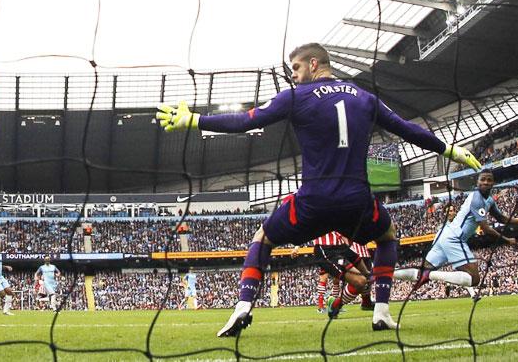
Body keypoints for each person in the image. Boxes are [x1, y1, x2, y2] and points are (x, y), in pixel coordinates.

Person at [156, 42, 481, 336]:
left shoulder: (297, 97)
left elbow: (246, 121)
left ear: (314, 63)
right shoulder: (365, 98)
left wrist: (196, 120)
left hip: (313, 200)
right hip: (357, 201)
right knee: (387, 237)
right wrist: (450, 150)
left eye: (295, 68)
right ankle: (381, 312)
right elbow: (408, 129)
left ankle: (242, 307)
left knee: (262, 239)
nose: (293, 76)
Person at [393, 169, 518, 299]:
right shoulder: (477, 200)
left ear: (493, 183)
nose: (486, 182)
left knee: (420, 272)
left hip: (445, 237)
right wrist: (507, 240)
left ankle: (384, 272)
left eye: (489, 180)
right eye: (483, 179)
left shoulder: (489, 200)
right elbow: (486, 229)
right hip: (454, 238)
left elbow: (502, 218)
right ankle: (430, 275)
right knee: (474, 278)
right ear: (477, 182)